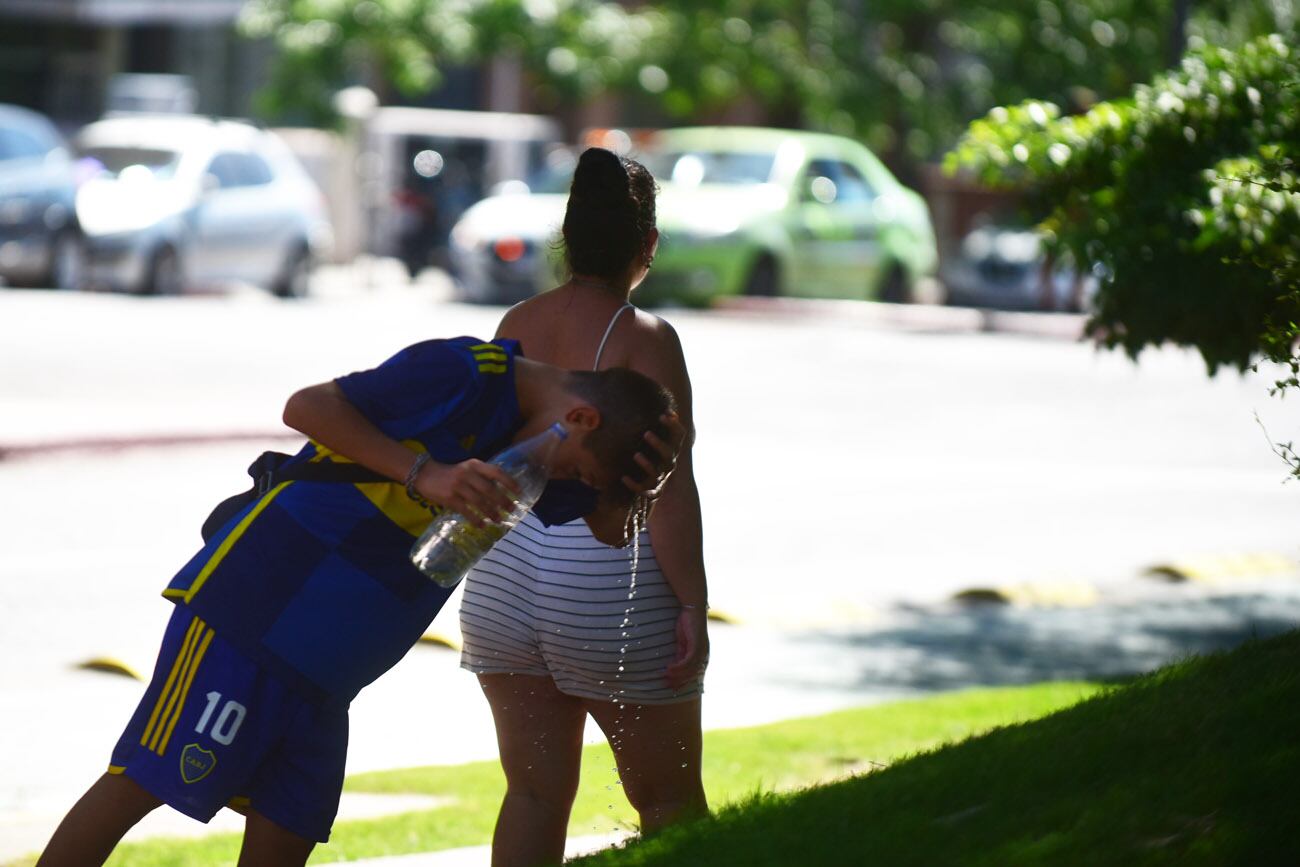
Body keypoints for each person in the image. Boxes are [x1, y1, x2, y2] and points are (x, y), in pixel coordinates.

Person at [37, 335, 675, 867]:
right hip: (256, 613)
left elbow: (606, 530)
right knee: (145, 782)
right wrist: (427, 475)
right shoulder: (463, 373)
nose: (564, 485)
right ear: (583, 418)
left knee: (287, 832)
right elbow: (307, 406)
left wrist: (633, 486)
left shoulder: (547, 452)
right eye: (579, 473)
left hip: (328, 673)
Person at [459, 146, 710, 867]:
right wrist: (691, 603)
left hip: (502, 573)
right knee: (667, 801)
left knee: (534, 795)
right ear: (648, 245)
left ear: (567, 240)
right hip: (601, 579)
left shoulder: (516, 319)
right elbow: (668, 485)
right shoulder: (646, 339)